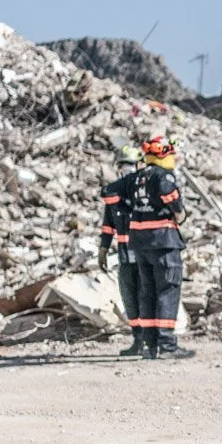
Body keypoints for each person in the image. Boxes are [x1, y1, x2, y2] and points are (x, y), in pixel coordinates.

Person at [125, 135, 194, 360]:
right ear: (163, 154)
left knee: (148, 292)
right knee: (167, 289)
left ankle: (150, 344)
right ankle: (167, 344)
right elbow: (172, 198)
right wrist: (180, 213)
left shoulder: (137, 178)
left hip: (139, 243)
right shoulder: (163, 175)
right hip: (163, 241)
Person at [99, 145, 146, 357]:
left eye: (130, 167)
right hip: (126, 256)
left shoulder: (145, 193)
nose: (126, 171)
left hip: (146, 256)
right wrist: (103, 249)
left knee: (147, 297)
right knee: (130, 298)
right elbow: (108, 224)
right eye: (123, 167)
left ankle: (152, 340)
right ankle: (137, 339)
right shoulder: (113, 194)